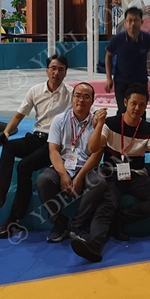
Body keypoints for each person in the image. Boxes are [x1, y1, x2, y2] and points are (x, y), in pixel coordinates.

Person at [71, 84, 150, 263]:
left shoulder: (148, 128)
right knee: (106, 207)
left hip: (137, 175)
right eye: (133, 103)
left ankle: (120, 219)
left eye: (142, 104)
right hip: (111, 173)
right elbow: (93, 147)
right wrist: (99, 125)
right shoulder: (111, 123)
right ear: (125, 102)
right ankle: (94, 245)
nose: (137, 108)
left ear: (146, 106)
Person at [0, 54, 72, 239]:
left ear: (65, 73)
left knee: (24, 167)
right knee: (9, 147)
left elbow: (86, 111)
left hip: (54, 143)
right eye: (53, 68)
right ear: (47, 71)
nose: (56, 73)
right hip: (36, 137)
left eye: (61, 69)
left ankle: (14, 220)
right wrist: (5, 133)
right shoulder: (35, 91)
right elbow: (18, 116)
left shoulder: (71, 94)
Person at [35, 83, 108, 243]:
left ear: (92, 101)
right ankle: (59, 223)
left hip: (87, 168)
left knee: (99, 182)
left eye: (86, 97)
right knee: (43, 180)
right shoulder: (59, 120)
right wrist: (63, 175)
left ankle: (79, 224)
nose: (81, 100)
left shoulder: (98, 123)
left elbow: (96, 155)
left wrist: (79, 177)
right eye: (78, 96)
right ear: (72, 98)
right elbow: (53, 151)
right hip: (63, 165)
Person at [104, 6, 150, 116]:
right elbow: (108, 55)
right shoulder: (117, 39)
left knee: (140, 111)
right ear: (125, 23)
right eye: (129, 20)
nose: (132, 24)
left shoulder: (148, 38)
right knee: (122, 111)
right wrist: (108, 78)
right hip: (121, 81)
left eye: (136, 20)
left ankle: (141, 128)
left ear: (142, 22)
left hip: (140, 81)